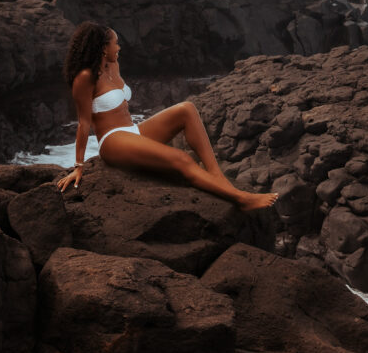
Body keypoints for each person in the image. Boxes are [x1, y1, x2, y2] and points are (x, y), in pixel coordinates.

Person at [56, 21, 278, 211]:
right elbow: (84, 123)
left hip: (133, 131)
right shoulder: (85, 77)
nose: (119, 47)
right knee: (182, 158)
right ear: (103, 48)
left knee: (186, 109)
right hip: (112, 141)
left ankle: (216, 174)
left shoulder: (113, 65)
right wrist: (78, 166)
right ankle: (242, 200)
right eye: (115, 42)